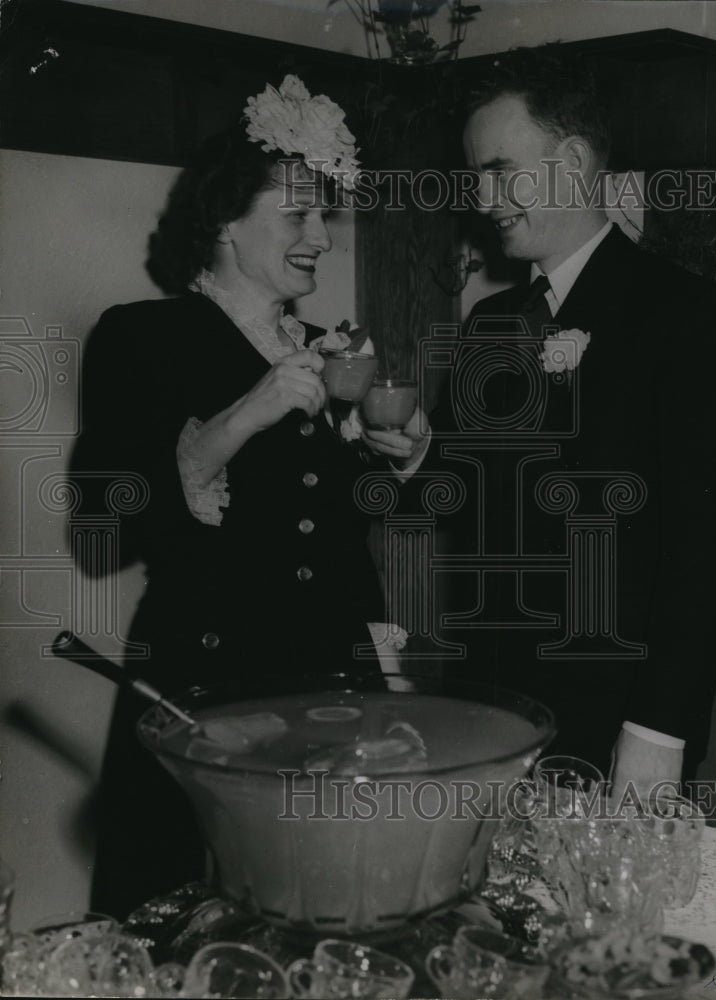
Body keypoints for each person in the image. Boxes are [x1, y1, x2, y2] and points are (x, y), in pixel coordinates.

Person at [367, 46, 716, 798]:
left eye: (497, 170)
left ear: (572, 161)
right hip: (489, 705)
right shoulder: (491, 323)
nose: (483, 199)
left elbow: (706, 549)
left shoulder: (691, 316)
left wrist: (656, 730)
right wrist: (420, 457)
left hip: (615, 719)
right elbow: (466, 502)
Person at [69, 76, 403, 918]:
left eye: (324, 217)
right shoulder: (142, 336)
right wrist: (238, 420)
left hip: (335, 683)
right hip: (209, 691)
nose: (321, 239)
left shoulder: (333, 351)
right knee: (197, 920)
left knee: (330, 921)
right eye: (298, 216)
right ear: (225, 222)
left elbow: (356, 519)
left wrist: (403, 453)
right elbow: (102, 526)